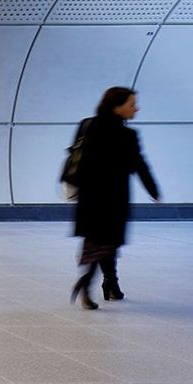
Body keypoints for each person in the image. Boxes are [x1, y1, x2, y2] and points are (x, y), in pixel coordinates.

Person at [66, 86, 159, 309]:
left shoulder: (87, 125)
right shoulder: (127, 135)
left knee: (99, 242)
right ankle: (86, 281)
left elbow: (73, 153)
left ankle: (111, 285)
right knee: (107, 242)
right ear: (117, 107)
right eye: (131, 104)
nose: (136, 108)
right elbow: (139, 164)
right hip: (114, 198)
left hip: (89, 196)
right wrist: (153, 189)